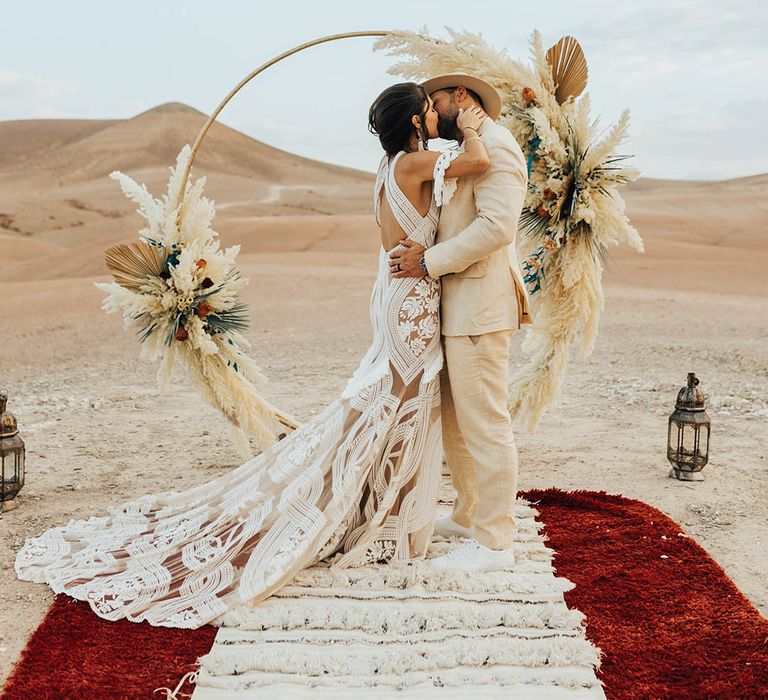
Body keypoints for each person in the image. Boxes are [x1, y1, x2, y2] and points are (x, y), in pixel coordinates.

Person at [13, 82, 491, 630]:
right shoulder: (414, 164)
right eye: (430, 108)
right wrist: (472, 126)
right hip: (410, 303)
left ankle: (384, 514)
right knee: (398, 407)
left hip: (396, 295)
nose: (437, 113)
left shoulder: (387, 169)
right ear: (413, 121)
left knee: (391, 405)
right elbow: (476, 160)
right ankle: (381, 521)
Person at [388, 73, 533, 572]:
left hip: (480, 306)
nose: (431, 111)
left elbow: (497, 226)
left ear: (461, 98)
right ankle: (471, 516)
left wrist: (426, 261)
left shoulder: (497, 146)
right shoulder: (467, 148)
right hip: (456, 307)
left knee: (486, 424)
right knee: (458, 424)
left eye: (436, 101)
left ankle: (495, 544)